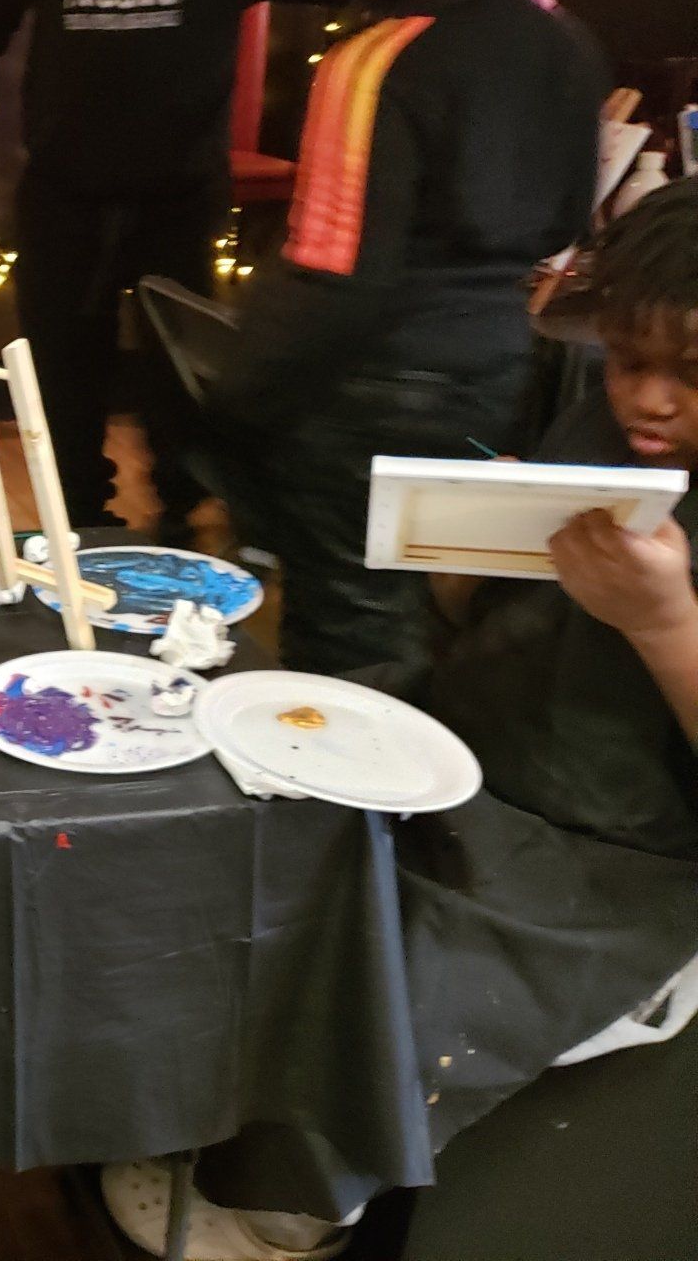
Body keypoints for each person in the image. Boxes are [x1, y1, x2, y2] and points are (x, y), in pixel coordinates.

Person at [113, 178, 698, 1261]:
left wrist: (667, 623)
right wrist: (472, 564)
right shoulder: (603, 431)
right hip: (470, 744)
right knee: (244, 838)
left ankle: (288, 1208)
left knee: (394, 977)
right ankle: (186, 1100)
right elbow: (482, 624)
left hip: (615, 853)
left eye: (691, 374)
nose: (647, 402)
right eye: (627, 361)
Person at [208, 0, 610, 675]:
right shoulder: (567, 40)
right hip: (491, 374)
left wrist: (235, 397)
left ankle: (359, 762)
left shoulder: (380, 57)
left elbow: (333, 275)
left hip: (371, 384)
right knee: (420, 605)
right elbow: (564, 223)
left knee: (349, 627)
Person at [0, 0, 359, 538]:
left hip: (181, 194)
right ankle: (75, 531)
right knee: (61, 379)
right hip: (64, 193)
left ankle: (182, 531)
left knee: (180, 379)